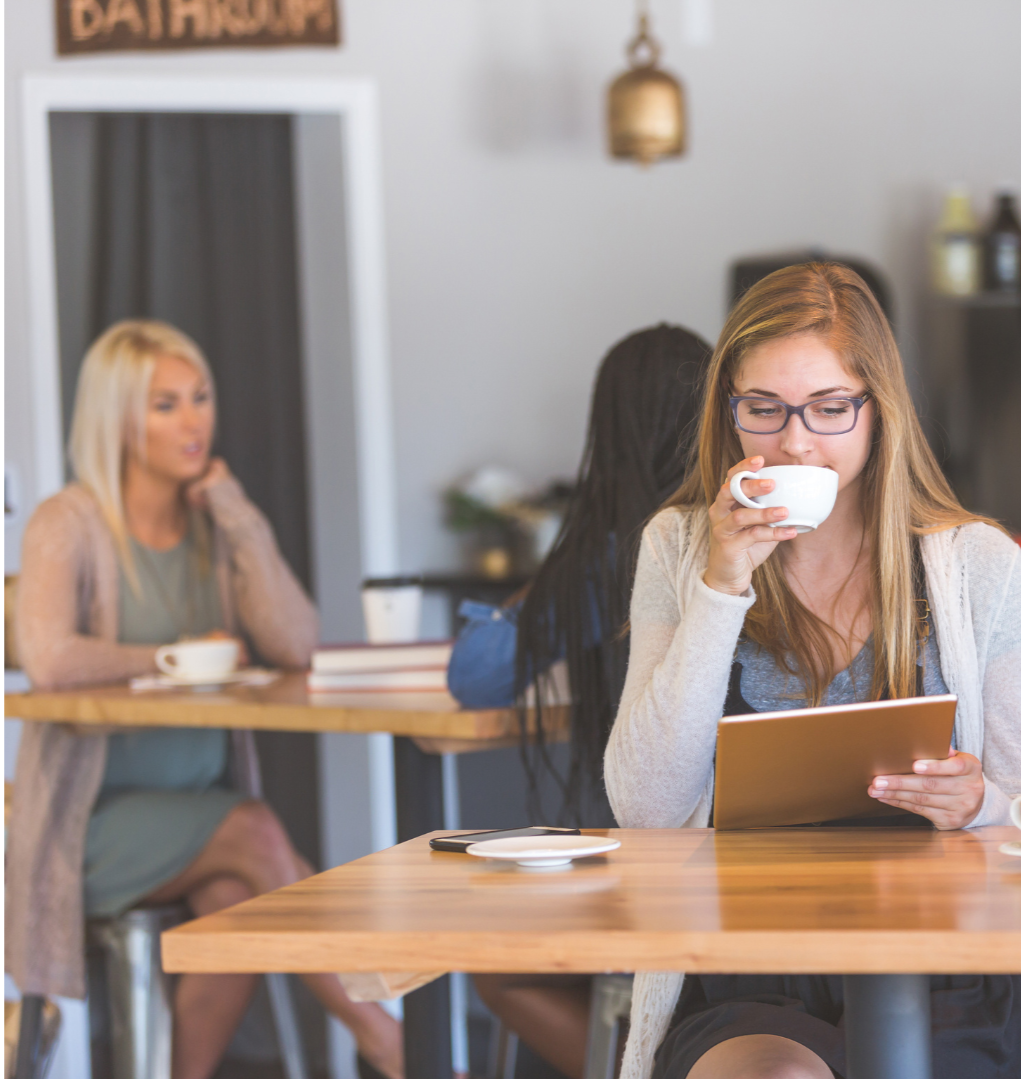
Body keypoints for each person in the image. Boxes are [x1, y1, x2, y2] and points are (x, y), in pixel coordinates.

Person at [603, 263, 1021, 1079]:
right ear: (728, 410)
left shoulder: (980, 565)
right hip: (751, 966)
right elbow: (647, 806)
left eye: (830, 409)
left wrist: (977, 801)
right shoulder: (681, 547)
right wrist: (722, 586)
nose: (794, 441)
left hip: (948, 965)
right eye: (762, 410)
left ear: (880, 411)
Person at [7, 320, 404, 1079]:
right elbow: (50, 659)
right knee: (254, 831)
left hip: (199, 818)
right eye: (166, 405)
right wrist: (172, 659)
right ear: (117, 418)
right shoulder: (71, 521)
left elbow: (295, 643)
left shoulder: (211, 525)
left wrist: (239, 514)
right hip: (84, 826)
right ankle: (386, 1038)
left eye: (200, 398)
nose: (193, 421)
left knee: (237, 900)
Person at [446, 324, 709, 1079]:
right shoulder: (735, 540)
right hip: (732, 861)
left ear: (613, 431)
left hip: (653, 867)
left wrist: (549, 583)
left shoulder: (614, 559)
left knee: (492, 963)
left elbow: (476, 672)